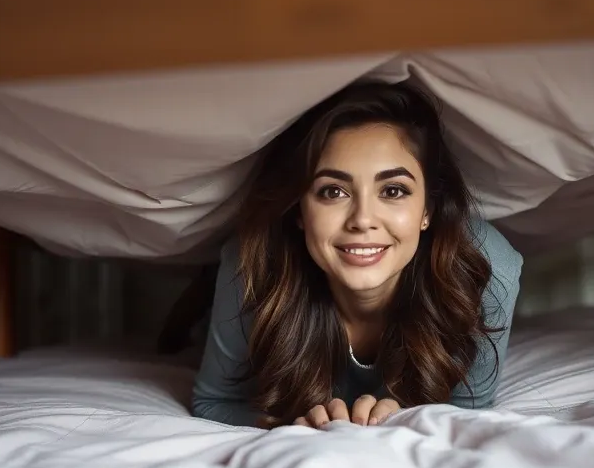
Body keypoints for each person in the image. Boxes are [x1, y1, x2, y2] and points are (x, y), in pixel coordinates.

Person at [190, 80, 522, 429]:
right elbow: (213, 401)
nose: (362, 220)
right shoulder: (253, 262)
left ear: (429, 209)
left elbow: (469, 411)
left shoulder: (484, 265)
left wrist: (406, 420)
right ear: (300, 210)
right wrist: (299, 425)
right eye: (333, 191)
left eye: (393, 190)